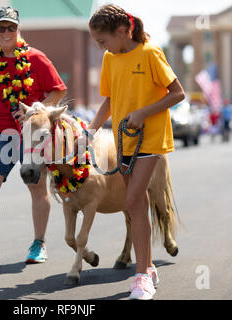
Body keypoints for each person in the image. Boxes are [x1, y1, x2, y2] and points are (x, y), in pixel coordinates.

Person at [86, 4, 185, 300]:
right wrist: (89, 131)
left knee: (131, 199)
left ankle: (141, 276)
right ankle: (149, 266)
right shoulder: (109, 58)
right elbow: (109, 101)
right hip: (124, 140)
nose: (101, 47)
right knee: (136, 206)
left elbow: (177, 92)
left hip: (151, 139)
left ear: (121, 32)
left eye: (102, 41)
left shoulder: (150, 52)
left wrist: (142, 113)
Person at [0, 6, 67, 266]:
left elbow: (58, 91)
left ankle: (38, 243)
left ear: (19, 29)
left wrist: (37, 110)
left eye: (11, 27)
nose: (6, 32)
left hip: (30, 133)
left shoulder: (36, 58)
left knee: (36, 185)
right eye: (1, 27)